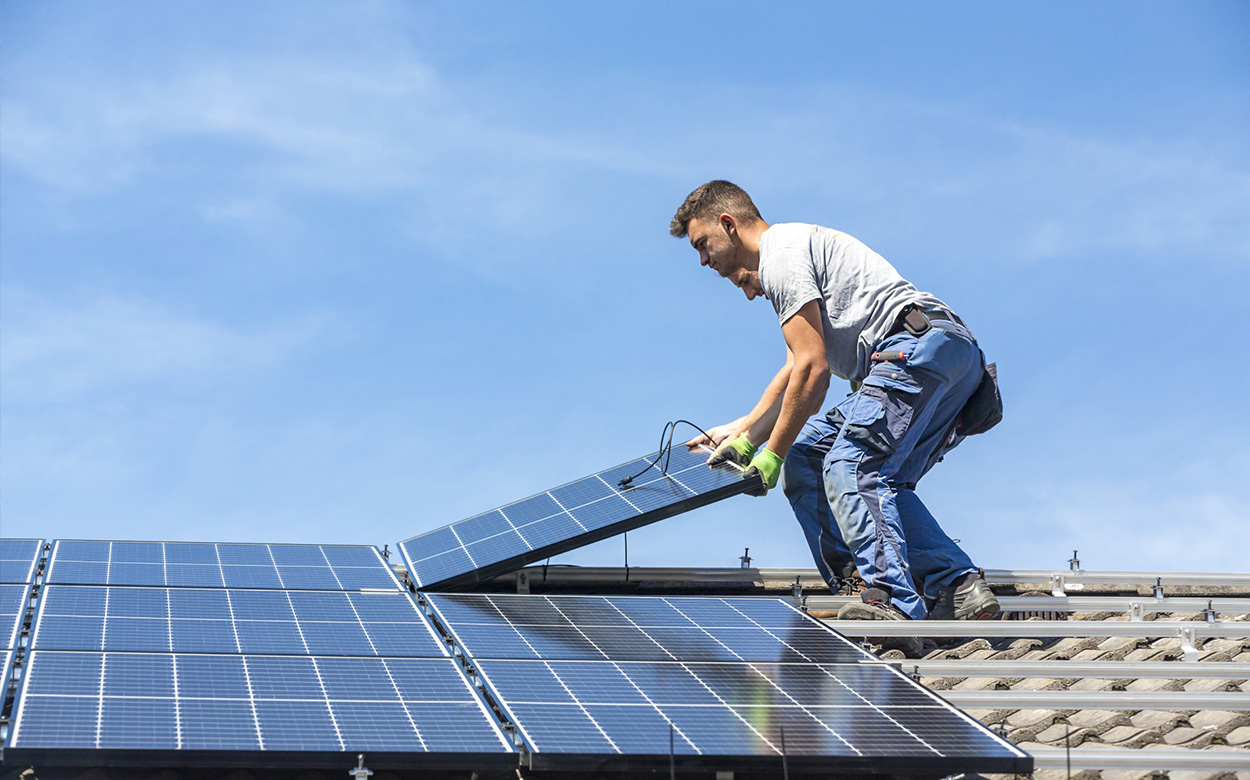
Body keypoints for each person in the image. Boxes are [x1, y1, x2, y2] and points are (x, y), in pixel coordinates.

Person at [671, 180, 999, 648]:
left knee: (849, 464)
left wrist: (769, 455)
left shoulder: (780, 254)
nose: (704, 260)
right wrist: (743, 432)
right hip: (942, 357)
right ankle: (957, 586)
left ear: (728, 224)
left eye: (703, 245)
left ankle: (885, 597)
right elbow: (795, 370)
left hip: (912, 351)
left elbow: (813, 371)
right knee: (817, 459)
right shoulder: (794, 251)